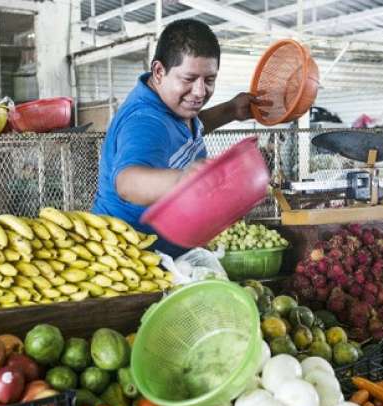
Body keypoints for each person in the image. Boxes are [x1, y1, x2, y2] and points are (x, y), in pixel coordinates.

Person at [92, 18, 264, 256]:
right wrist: (186, 181)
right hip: (130, 260)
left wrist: (232, 110)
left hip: (172, 252)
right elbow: (127, 182)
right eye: (189, 79)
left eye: (209, 80)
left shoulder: (173, 106)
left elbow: (184, 132)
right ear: (159, 71)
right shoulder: (145, 122)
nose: (200, 92)